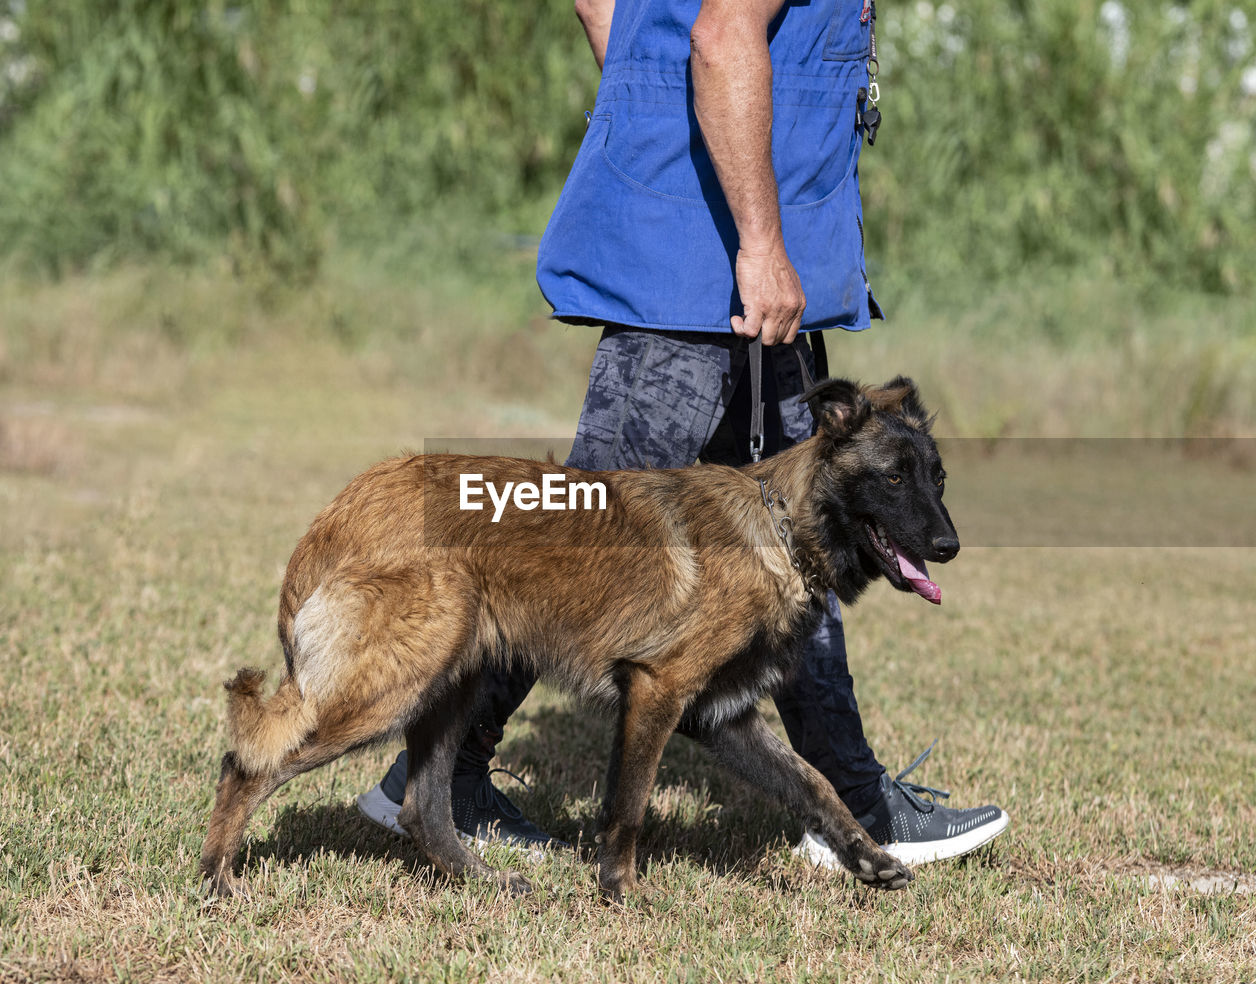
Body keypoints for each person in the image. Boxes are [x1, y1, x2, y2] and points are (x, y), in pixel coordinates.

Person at [358, 0, 1008, 871]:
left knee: (785, 542)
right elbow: (721, 33)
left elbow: (606, 6)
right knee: (581, 542)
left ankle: (848, 801)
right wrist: (761, 238)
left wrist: (661, 133)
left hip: (702, 249)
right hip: (716, 270)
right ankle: (439, 779)